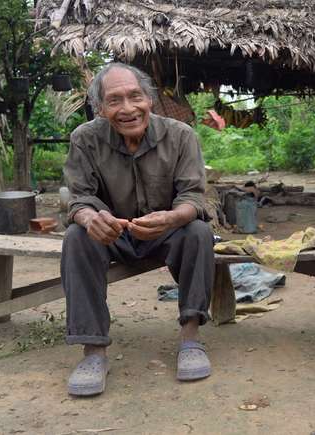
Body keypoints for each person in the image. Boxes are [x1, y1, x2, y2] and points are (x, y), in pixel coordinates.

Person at [61, 63, 214, 396]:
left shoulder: (180, 135)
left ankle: (190, 340)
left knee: (199, 231)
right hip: (111, 235)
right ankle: (93, 352)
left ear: (150, 99)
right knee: (76, 237)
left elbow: (193, 196)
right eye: (115, 100)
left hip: (166, 232)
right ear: (101, 108)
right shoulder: (85, 139)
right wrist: (90, 219)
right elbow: (79, 199)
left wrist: (174, 217)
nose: (128, 109)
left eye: (135, 97)